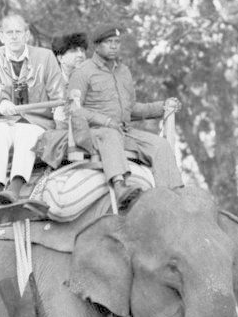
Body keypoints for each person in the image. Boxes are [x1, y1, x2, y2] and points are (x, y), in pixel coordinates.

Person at [66, 24, 183, 202]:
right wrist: (105, 121)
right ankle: (119, 185)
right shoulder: (83, 72)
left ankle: (173, 195)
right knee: (110, 134)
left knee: (160, 145)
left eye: (117, 42)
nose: (114, 46)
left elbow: (131, 108)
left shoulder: (123, 72)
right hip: (94, 132)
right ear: (97, 46)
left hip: (123, 131)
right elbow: (74, 110)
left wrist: (163, 107)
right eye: (108, 42)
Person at [0, 14, 64, 209]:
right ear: (1, 36)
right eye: (9, 32)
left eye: (18, 32)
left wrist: (60, 126)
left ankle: (14, 190)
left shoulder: (45, 57)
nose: (14, 37)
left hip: (36, 124)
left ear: (27, 35)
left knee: (27, 132)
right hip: (1, 122)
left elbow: (59, 97)